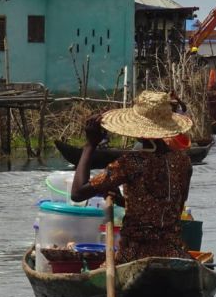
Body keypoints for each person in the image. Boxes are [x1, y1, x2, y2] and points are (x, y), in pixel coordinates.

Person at [71, 91, 195, 263]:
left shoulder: (131, 163)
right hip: (174, 252)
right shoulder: (183, 161)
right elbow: (172, 203)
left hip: (134, 254)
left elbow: (77, 193)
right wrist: (123, 201)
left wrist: (90, 145)